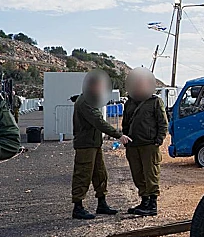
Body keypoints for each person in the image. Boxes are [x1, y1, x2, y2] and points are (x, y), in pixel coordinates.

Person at [71, 70, 131, 220]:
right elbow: (99, 121)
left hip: (93, 144)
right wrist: (119, 135)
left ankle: (101, 203)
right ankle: (78, 207)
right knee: (83, 174)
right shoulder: (85, 102)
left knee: (100, 173)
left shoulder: (88, 99)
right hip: (85, 145)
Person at [122, 68, 168, 217]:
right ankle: (144, 201)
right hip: (133, 145)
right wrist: (125, 138)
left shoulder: (155, 102)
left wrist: (158, 140)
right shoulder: (129, 102)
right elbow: (125, 122)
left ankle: (152, 204)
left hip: (149, 145)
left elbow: (163, 123)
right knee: (138, 174)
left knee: (151, 174)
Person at [0, 94, 21, 161]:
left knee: (16, 116)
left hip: (15, 108)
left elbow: (11, 142)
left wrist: (18, 106)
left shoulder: (16, 97)